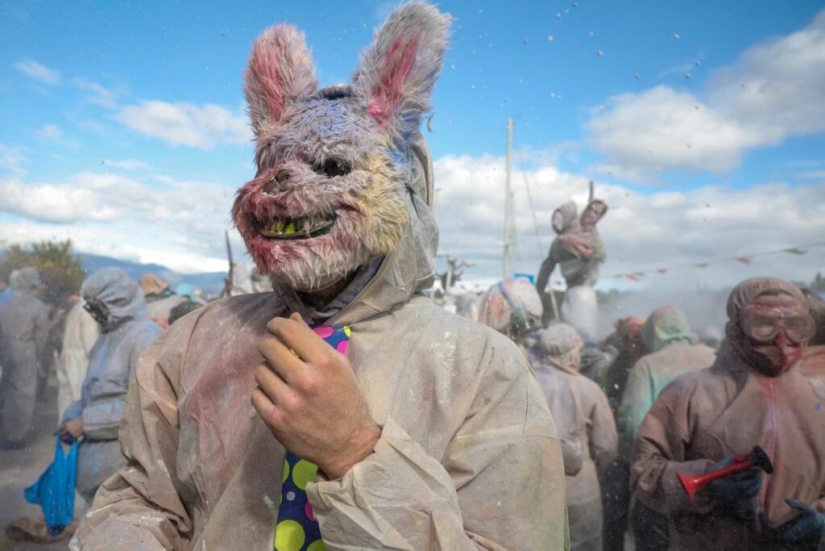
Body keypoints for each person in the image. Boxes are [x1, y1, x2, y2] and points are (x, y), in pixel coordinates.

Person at [72, 4, 569, 549]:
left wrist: (353, 450)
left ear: (403, 191)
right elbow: (143, 499)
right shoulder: (192, 344)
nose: (284, 183)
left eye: (333, 168)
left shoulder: (483, 370)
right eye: (272, 164)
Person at [632, 277, 825, 550]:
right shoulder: (688, 394)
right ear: (735, 329)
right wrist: (705, 483)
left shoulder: (819, 401)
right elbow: (644, 473)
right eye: (764, 324)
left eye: (794, 326)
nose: (782, 340)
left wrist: (820, 522)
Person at [617, 305, 716, 550]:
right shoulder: (714, 356)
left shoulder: (647, 366)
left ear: (652, 333)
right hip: (715, 480)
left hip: (664, 485)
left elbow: (632, 425)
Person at [59, 268, 161, 504]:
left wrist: (87, 422)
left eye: (98, 307)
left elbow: (144, 406)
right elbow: (93, 394)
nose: (94, 315)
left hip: (124, 463)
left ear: (119, 301)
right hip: (98, 464)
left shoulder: (143, 336)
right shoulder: (108, 336)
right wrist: (71, 417)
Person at [532, 323, 617, 551]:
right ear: (570, 355)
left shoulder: (527, 384)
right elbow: (607, 447)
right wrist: (594, 469)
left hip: (533, 486)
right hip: (580, 489)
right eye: (578, 352)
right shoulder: (589, 389)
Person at [599, 316, 647, 551]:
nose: (634, 341)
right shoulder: (618, 364)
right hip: (621, 446)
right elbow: (607, 393)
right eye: (630, 336)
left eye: (639, 337)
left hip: (648, 449)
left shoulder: (651, 364)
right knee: (615, 511)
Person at [536, 199, 608, 343]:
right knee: (571, 335)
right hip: (574, 291)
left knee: (583, 336)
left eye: (596, 213)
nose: (591, 215)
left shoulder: (593, 237)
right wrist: (538, 291)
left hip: (583, 291)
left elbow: (599, 254)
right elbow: (548, 266)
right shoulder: (566, 232)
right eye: (591, 210)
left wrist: (578, 245)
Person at [0, 268, 49, 448]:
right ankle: (17, 435)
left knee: (7, 389)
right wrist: (37, 352)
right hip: (26, 348)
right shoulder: (37, 305)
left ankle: (5, 430)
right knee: (24, 392)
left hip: (4, 347)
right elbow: (42, 334)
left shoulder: (3, 301)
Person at [56, 296, 99, 421]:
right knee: (79, 399)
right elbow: (90, 343)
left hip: (67, 354)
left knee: (65, 399)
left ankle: (64, 436)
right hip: (80, 359)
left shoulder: (77, 308)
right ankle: (76, 436)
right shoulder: (90, 311)